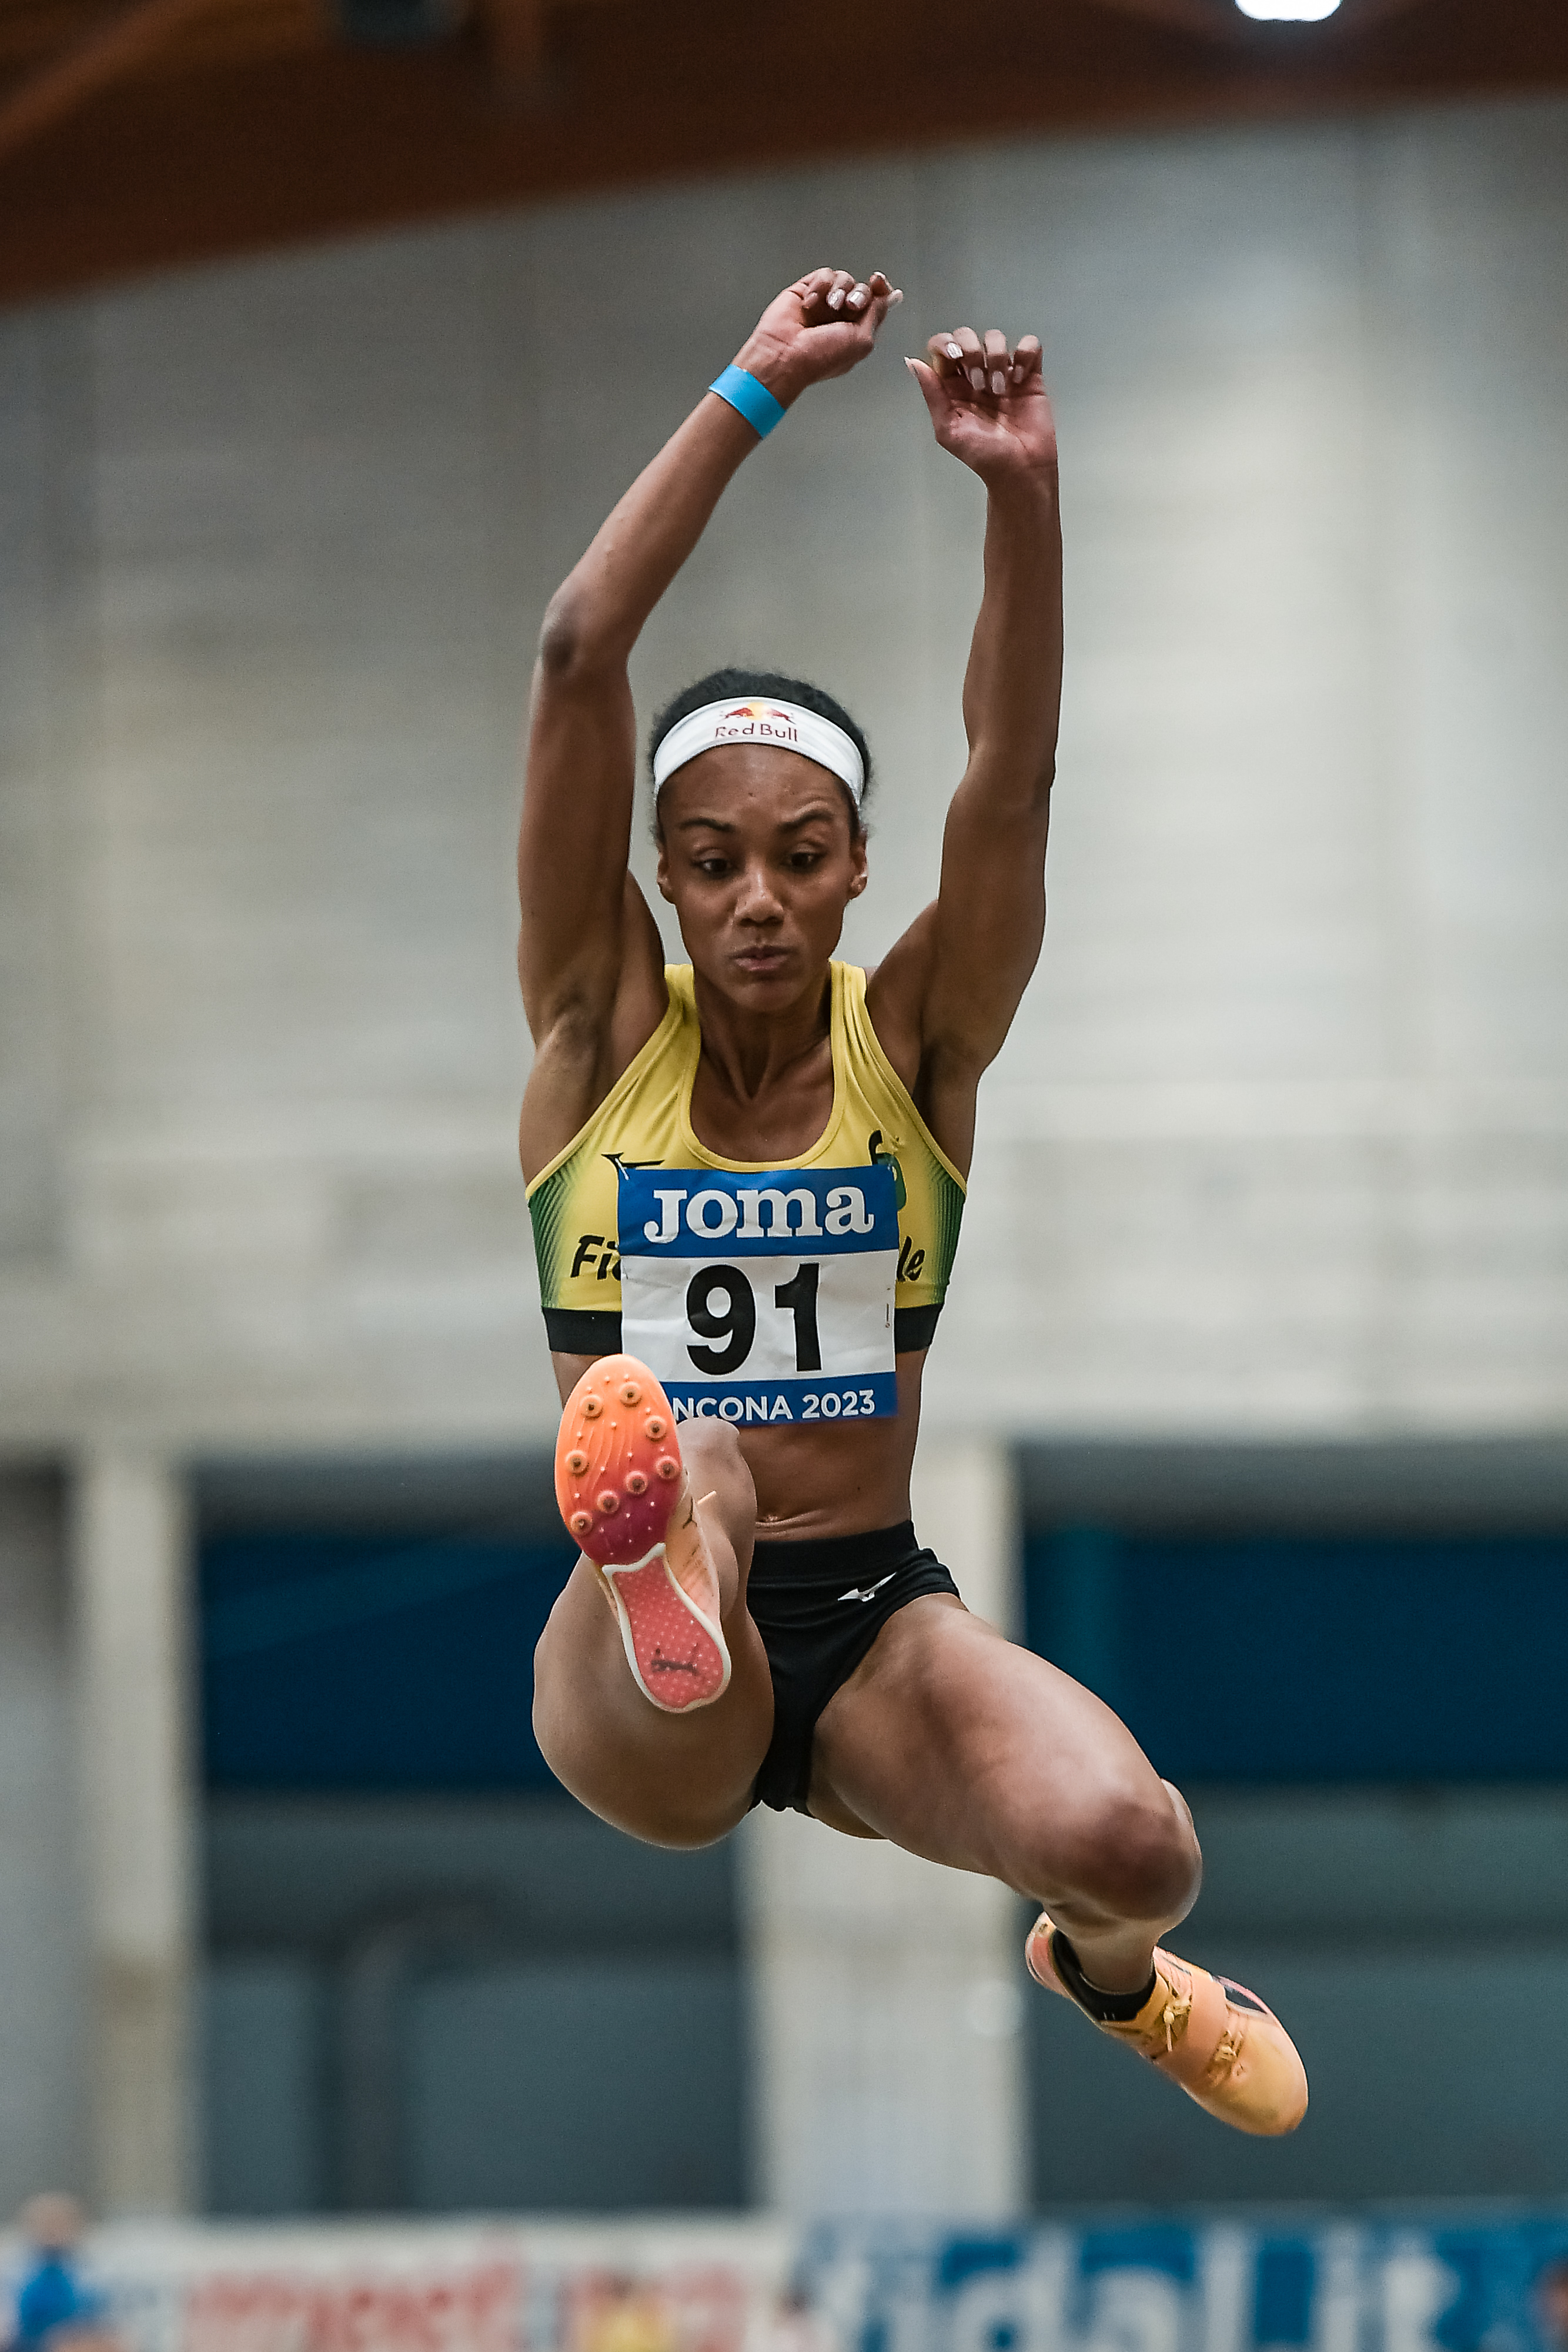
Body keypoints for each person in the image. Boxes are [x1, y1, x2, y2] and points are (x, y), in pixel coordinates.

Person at [517, 263, 1307, 2135]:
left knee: (1137, 1845)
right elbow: (574, 656)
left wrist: (1022, 492)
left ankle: (1107, 1978)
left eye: (799, 857)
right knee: (698, 1457)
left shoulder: (917, 1050)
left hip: (873, 1618)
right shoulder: (596, 1030)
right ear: (663, 878)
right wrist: (750, 389)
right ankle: (658, 1565)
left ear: (859, 867)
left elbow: (1010, 785)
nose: (757, 899)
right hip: (643, 1687)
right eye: (711, 863)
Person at [6, 2197, 113, 2352]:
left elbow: (98, 2322)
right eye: (46, 2225)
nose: (52, 2232)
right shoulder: (18, 2273)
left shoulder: (88, 2274)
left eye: (59, 2224)